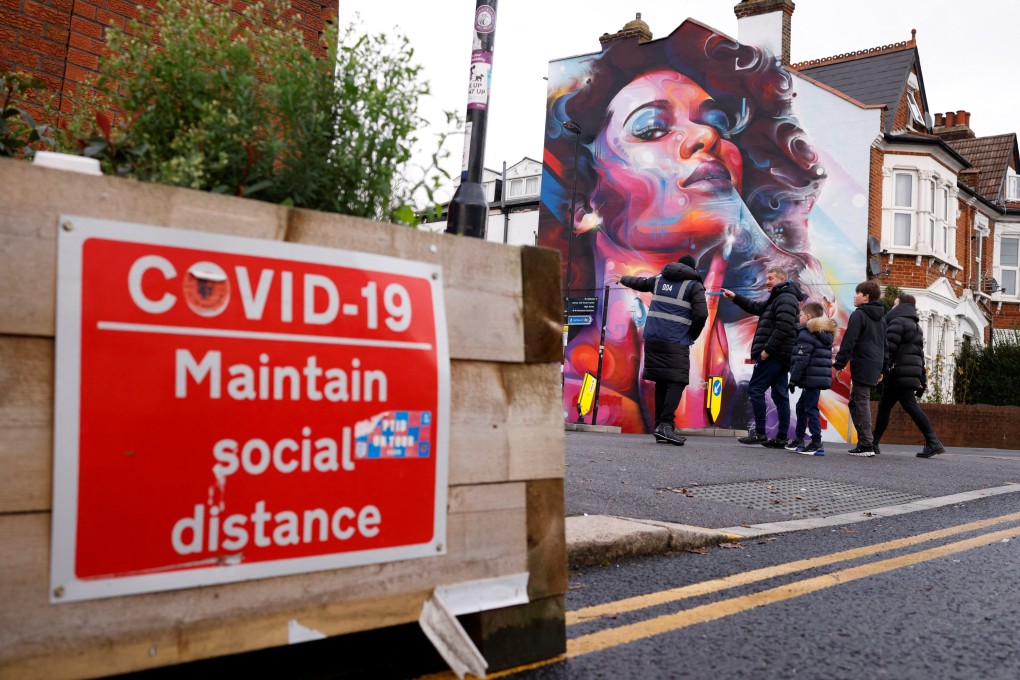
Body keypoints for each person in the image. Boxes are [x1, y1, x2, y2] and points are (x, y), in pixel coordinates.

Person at [540, 21, 847, 436]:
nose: (705, 134)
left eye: (717, 123)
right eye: (652, 128)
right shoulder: (573, 379)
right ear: (585, 201)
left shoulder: (783, 333)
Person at [617, 254, 708, 445]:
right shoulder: (694, 285)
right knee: (677, 381)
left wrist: (623, 279)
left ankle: (661, 426)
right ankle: (666, 425)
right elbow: (701, 315)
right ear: (692, 269)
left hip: (653, 337)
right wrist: (691, 335)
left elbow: (641, 283)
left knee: (662, 381)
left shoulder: (659, 279)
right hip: (676, 340)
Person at [721, 266, 805, 448]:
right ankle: (781, 437)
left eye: (771, 278)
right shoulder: (780, 297)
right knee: (780, 395)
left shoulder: (786, 298)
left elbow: (784, 326)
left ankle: (760, 433)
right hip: (780, 355)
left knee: (755, 389)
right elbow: (758, 308)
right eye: (767, 278)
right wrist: (735, 297)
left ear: (781, 279)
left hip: (774, 354)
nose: (767, 282)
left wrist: (767, 350)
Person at [873, 293, 945, 458]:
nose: (893, 306)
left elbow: (889, 349)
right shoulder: (915, 326)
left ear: (901, 305)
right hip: (907, 373)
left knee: (909, 406)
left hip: (898, 373)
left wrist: (881, 370)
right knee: (886, 406)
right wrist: (922, 378)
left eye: (895, 303)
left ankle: (933, 442)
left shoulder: (897, 322)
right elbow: (919, 354)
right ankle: (873, 442)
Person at [832, 281, 886, 457]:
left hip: (863, 363)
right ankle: (865, 441)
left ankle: (867, 444)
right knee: (855, 402)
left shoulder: (859, 315)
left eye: (858, 293)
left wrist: (839, 364)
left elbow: (849, 341)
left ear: (866, 297)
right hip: (874, 364)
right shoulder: (881, 318)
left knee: (861, 401)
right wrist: (882, 368)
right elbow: (884, 345)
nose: (854, 296)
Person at [785, 301, 837, 455]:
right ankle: (799, 440)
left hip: (810, 378)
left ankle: (816, 443)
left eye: (801, 315)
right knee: (801, 407)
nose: (799, 317)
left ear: (808, 317)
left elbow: (802, 358)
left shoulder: (807, 332)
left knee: (810, 409)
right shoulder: (824, 334)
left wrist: (793, 379)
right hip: (816, 378)